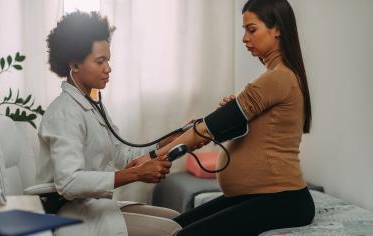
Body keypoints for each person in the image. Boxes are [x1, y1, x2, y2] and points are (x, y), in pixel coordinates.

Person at [131, 0, 315, 235]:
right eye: (244, 30)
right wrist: (232, 120)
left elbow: (207, 129)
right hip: (264, 195)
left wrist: (152, 156)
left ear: (277, 29)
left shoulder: (278, 78)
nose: (245, 39)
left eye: (252, 29)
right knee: (175, 227)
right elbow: (248, 131)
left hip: (282, 200)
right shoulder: (279, 76)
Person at [36, 11, 182, 236]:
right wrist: (137, 174)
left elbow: (123, 154)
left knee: (179, 219)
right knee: (173, 230)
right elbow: (69, 182)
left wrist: (167, 142)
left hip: (94, 206)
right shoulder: (64, 113)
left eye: (108, 60)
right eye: (100, 61)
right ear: (74, 65)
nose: (108, 68)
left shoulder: (91, 105)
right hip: (72, 213)